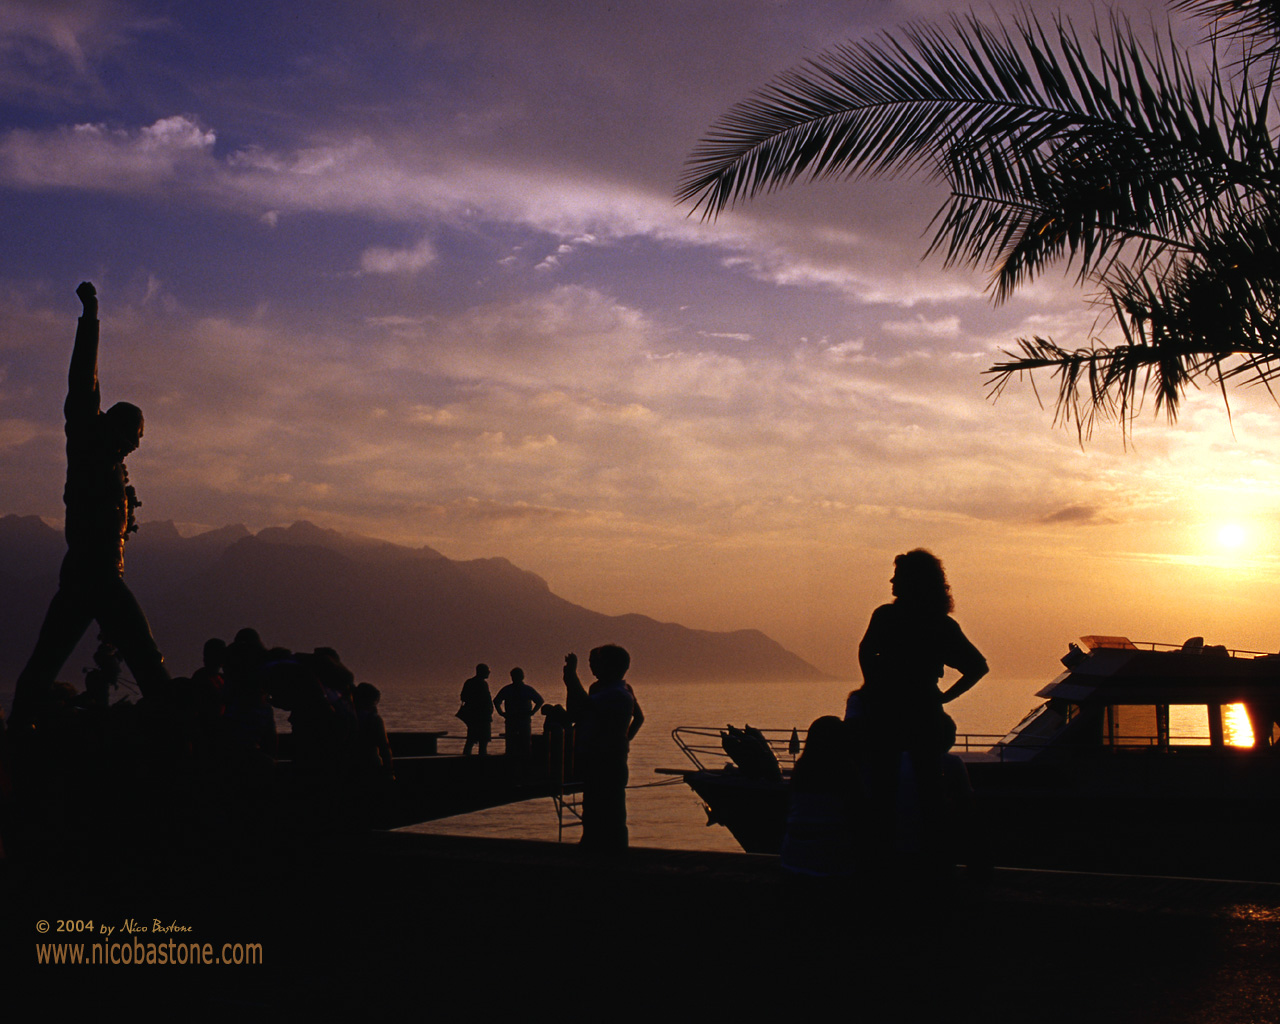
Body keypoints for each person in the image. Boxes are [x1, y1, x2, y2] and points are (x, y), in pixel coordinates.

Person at [9, 283, 169, 728]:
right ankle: (175, 731)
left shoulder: (115, 469)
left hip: (96, 576)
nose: (136, 447)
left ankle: (21, 723)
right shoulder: (86, 441)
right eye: (135, 437)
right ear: (116, 425)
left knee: (49, 657)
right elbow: (83, 379)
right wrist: (91, 316)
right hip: (91, 574)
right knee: (144, 655)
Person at [854, 549, 987, 859]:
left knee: (882, 791)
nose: (891, 580)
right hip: (924, 714)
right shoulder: (939, 625)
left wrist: (873, 686)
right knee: (930, 792)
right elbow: (977, 667)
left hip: (888, 715)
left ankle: (881, 858)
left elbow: (865, 652)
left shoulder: (886, 617)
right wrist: (942, 698)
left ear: (913, 581)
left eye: (898, 575)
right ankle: (934, 860)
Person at [563, 645, 644, 852]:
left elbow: (582, 706)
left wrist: (571, 676)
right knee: (592, 808)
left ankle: (612, 853)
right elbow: (575, 712)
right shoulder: (609, 690)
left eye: (596, 664)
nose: (593, 669)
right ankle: (594, 848)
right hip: (599, 756)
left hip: (607, 759)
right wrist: (624, 741)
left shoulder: (617, 693)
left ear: (612, 666)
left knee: (609, 810)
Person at [493, 667, 544, 756]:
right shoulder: (527, 689)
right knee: (523, 742)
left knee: (512, 743)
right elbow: (540, 701)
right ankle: (523, 760)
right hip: (521, 719)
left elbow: (496, 701)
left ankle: (513, 759)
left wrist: (501, 713)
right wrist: (532, 712)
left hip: (514, 719)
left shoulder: (507, 689)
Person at [458, 664, 494, 756]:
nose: (489, 672)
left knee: (471, 739)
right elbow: (486, 699)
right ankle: (482, 758)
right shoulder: (482, 684)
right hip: (482, 716)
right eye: (487, 670)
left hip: (472, 717)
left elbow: (463, 697)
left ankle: (466, 757)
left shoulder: (469, 682)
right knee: (483, 740)